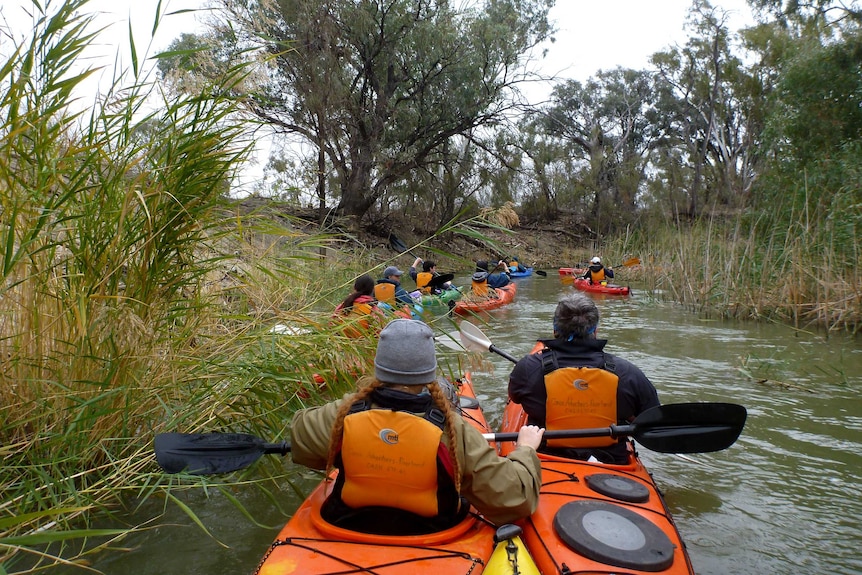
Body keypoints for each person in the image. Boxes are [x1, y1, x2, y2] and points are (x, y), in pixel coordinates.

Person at [290, 319, 545, 534]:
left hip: (348, 525)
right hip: (431, 533)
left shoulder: (344, 413)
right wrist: (525, 450)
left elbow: (301, 440)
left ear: (379, 366)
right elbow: (514, 500)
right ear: (429, 372)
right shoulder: (454, 430)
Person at [507, 292, 659, 464]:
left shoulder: (528, 368)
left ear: (555, 330)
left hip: (547, 459)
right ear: (595, 330)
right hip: (613, 466)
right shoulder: (628, 373)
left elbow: (514, 397)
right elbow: (652, 418)